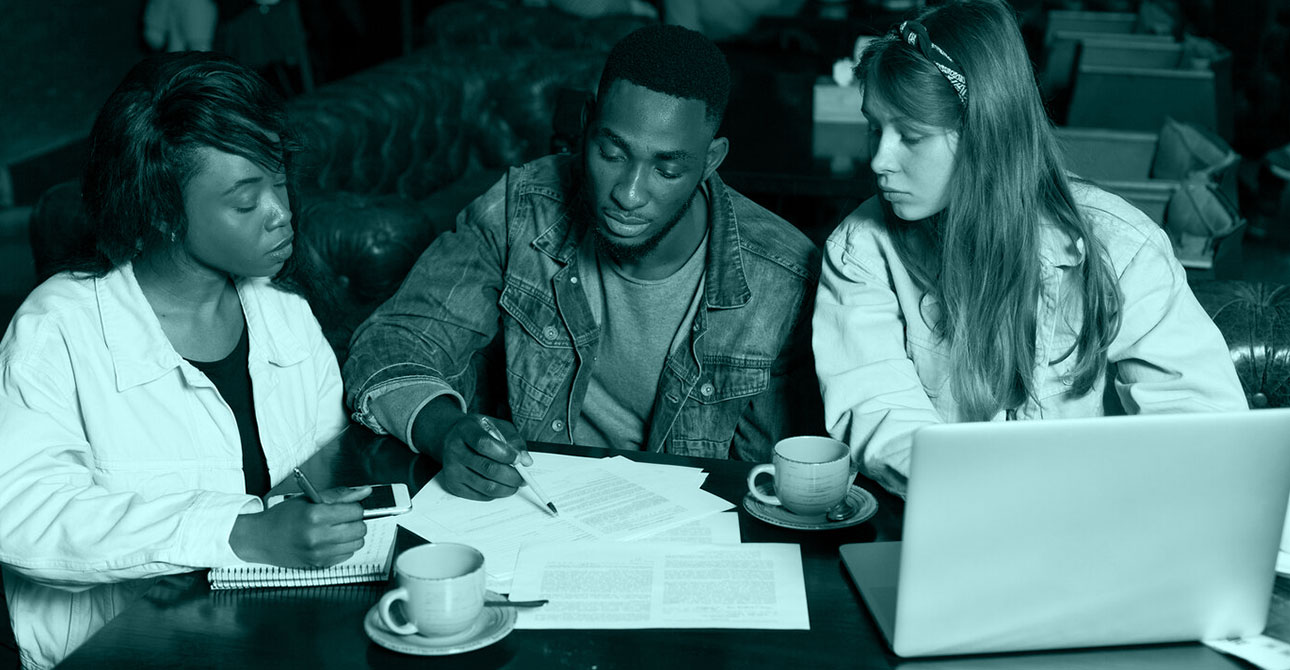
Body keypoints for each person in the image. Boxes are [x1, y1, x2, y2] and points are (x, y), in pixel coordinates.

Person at [343, 24, 820, 500]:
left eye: (667, 169)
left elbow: (780, 480)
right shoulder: (521, 209)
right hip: (532, 510)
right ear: (586, 123)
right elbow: (391, 342)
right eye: (611, 153)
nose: (628, 194)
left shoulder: (783, 279)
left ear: (710, 160)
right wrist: (444, 429)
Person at [0, 52, 366, 669]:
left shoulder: (283, 309)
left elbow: (329, 463)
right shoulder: (57, 330)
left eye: (279, 181)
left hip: (273, 632)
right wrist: (238, 533)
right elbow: (22, 516)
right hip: (123, 651)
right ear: (163, 212)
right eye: (245, 203)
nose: (281, 212)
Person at [813, 0, 1248, 497]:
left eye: (910, 136)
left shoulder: (1124, 249)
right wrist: (1005, 498)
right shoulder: (860, 251)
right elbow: (883, 414)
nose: (878, 160)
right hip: (952, 516)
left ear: (987, 136)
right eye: (874, 127)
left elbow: (1203, 423)